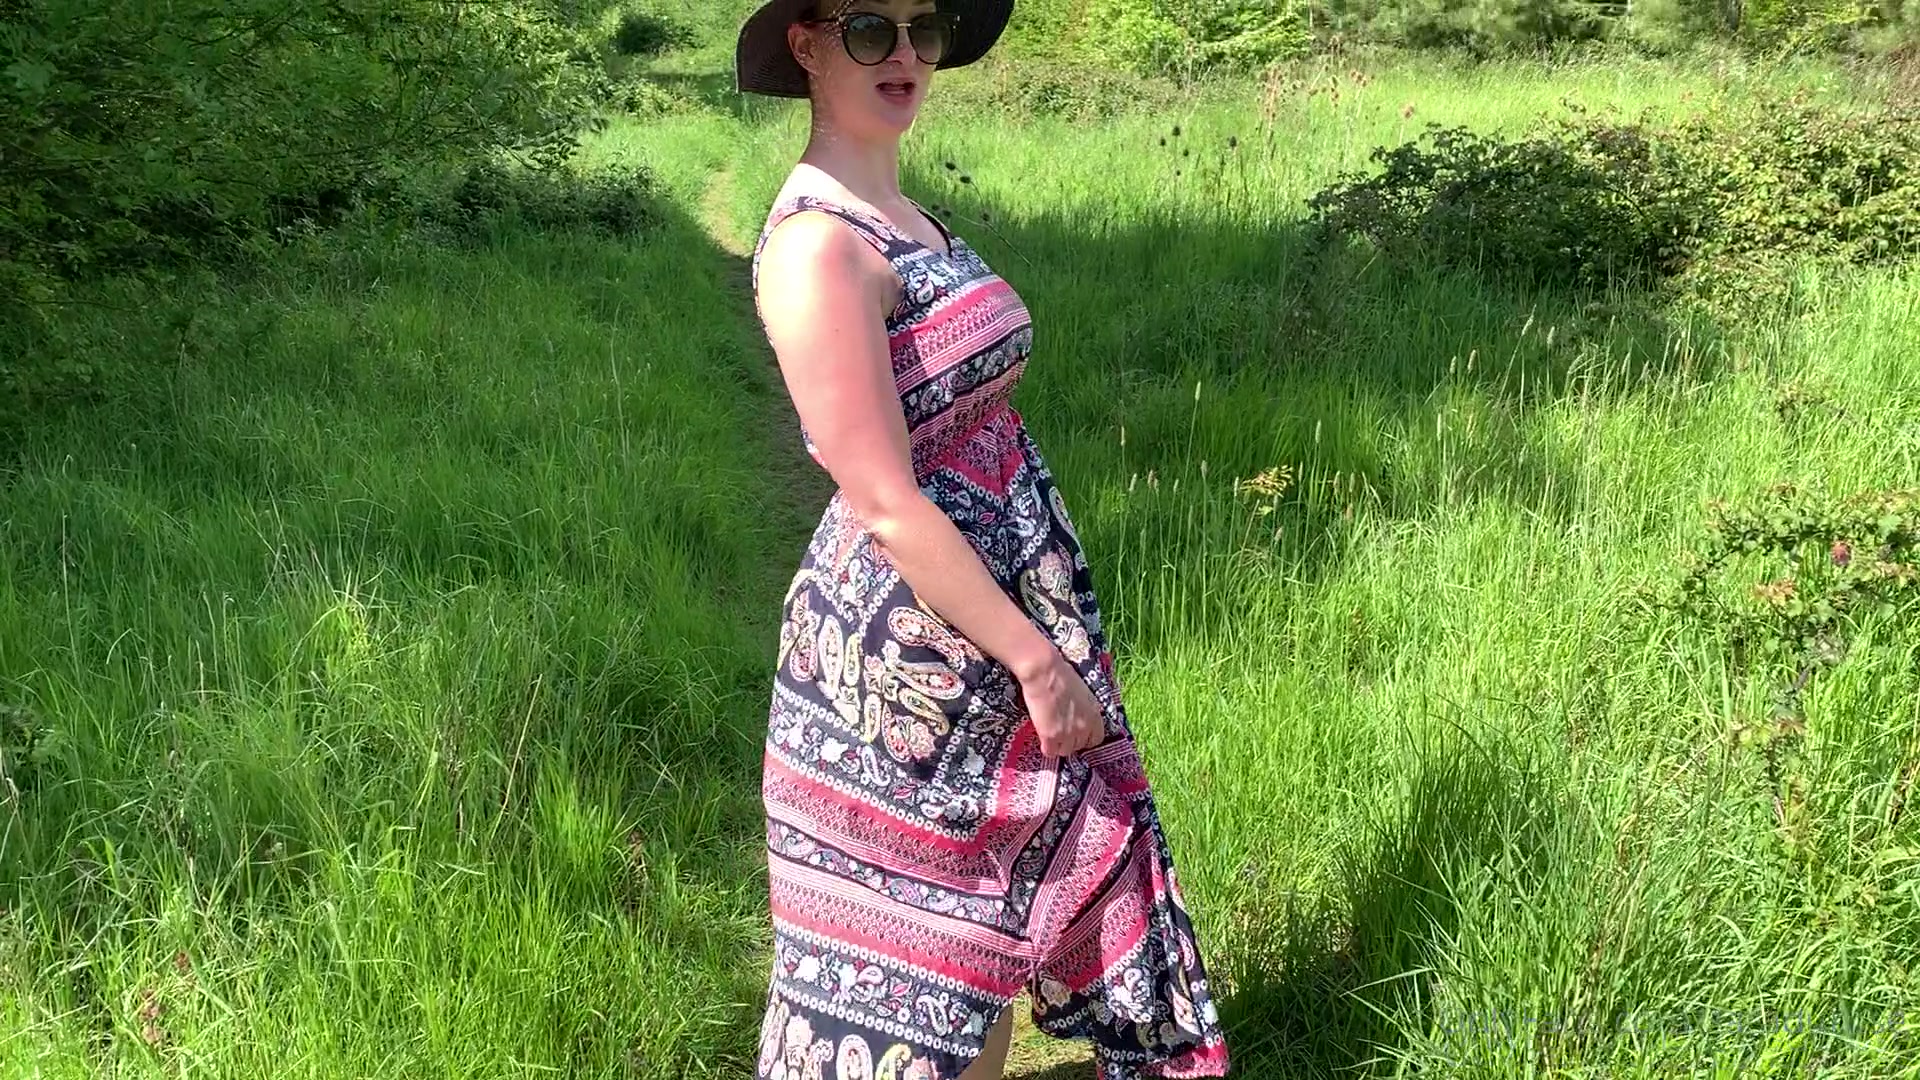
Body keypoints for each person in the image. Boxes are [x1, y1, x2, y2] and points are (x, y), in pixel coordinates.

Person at [736, 2, 1232, 1077]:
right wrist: (1034, 660)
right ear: (806, 46)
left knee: (982, 943)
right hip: (908, 662)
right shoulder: (817, 247)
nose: (906, 53)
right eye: (870, 28)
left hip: (986, 618)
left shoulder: (902, 212)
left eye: (924, 27)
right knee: (917, 974)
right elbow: (883, 500)